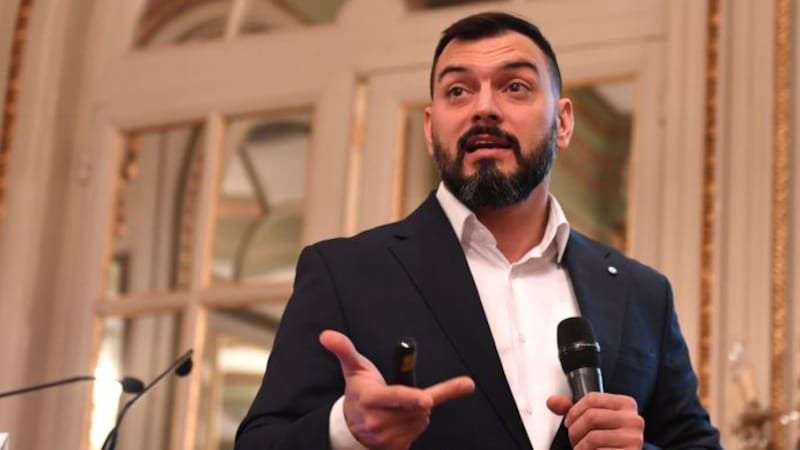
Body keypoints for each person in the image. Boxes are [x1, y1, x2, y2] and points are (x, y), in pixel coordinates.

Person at [236, 11, 721, 450]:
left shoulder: (642, 294)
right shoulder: (344, 273)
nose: (484, 108)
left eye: (515, 87)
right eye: (458, 91)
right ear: (431, 129)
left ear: (563, 123)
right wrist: (347, 430)